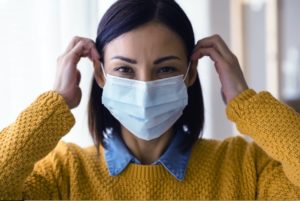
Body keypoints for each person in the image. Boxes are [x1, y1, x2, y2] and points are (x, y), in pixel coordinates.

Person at [0, 0, 300, 200]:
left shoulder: (247, 168)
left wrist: (247, 103)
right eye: (125, 69)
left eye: (166, 68)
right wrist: (56, 102)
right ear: (101, 75)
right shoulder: (63, 175)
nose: (145, 86)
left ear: (191, 72)